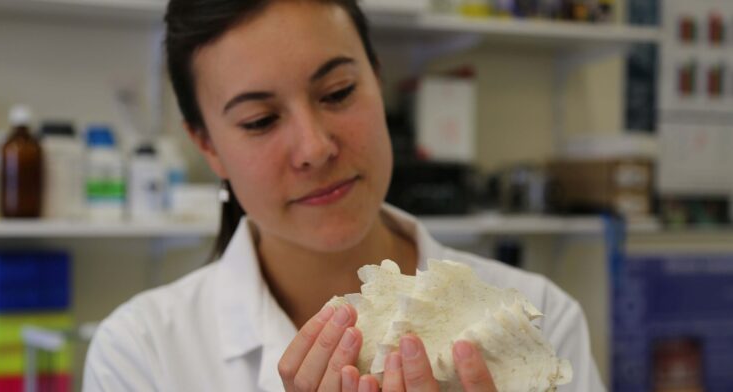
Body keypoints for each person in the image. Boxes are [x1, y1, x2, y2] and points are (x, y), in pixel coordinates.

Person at [83, 0, 606, 391]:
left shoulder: (540, 318)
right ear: (207, 146)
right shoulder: (141, 352)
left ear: (376, 82)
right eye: (260, 120)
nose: (314, 147)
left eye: (337, 93)